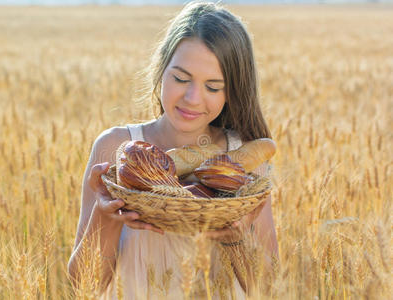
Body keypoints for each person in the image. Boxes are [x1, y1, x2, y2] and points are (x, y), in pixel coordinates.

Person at [68, 1, 279, 299]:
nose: (193, 98)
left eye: (213, 87)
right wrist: (105, 216)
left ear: (232, 91)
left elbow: (270, 288)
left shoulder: (244, 163)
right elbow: (83, 287)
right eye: (181, 78)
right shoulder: (115, 150)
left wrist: (237, 240)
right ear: (161, 69)